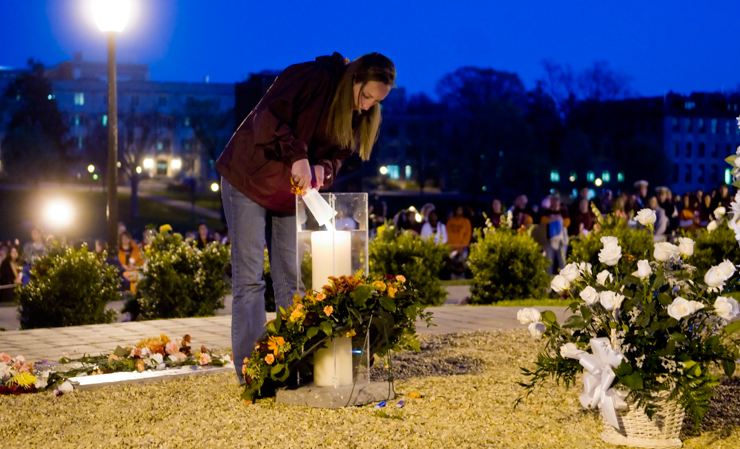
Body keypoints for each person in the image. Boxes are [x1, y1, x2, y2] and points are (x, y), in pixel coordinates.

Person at [215, 52, 395, 384]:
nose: (367, 106)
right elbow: (266, 118)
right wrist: (298, 156)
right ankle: (253, 370)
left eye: (375, 102)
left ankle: (291, 361)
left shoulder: (357, 112)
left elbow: (339, 153)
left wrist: (322, 168)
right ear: (353, 78)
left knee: (291, 281)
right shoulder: (312, 77)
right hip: (248, 176)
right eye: (366, 95)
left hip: (290, 192)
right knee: (250, 278)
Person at [540, 196, 570, 275]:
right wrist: (554, 219)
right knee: (549, 260)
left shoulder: (563, 210)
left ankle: (564, 278)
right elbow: (543, 220)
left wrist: (557, 220)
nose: (555, 203)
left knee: (562, 260)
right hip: (550, 239)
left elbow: (567, 222)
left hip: (561, 240)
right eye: (553, 201)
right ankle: (548, 279)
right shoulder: (547, 211)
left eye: (556, 201)